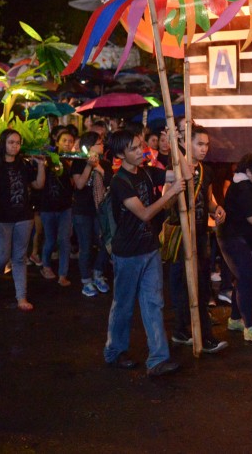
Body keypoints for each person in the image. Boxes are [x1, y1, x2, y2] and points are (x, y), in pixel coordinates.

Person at [103, 130, 183, 377]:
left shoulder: (148, 171)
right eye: (134, 149)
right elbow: (145, 214)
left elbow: (186, 173)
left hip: (150, 249)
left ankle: (158, 359)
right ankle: (115, 352)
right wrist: (170, 194)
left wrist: (175, 144)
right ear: (120, 154)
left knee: (154, 303)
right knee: (124, 306)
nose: (141, 152)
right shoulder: (120, 182)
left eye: (141, 146)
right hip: (127, 253)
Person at [168, 126, 229, 354]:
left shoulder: (206, 171)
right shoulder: (174, 168)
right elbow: (166, 201)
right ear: (187, 144)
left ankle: (191, 332)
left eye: (206, 145)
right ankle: (193, 333)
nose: (204, 149)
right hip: (182, 235)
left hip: (201, 234)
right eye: (199, 144)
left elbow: (209, 199)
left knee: (201, 285)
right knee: (184, 285)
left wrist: (216, 209)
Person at [0, 130, 47, 311]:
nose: (15, 146)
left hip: (23, 217)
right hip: (1, 218)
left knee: (19, 258)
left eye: (17, 142)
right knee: (0, 257)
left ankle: (21, 297)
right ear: (3, 144)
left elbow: (38, 185)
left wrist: (40, 166)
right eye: (11, 142)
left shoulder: (24, 164)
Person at [219, 151, 252, 342]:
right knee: (246, 278)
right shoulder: (243, 188)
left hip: (240, 238)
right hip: (233, 239)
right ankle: (249, 327)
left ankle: (235, 319)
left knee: (241, 278)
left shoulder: (246, 184)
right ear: (248, 171)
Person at [70, 131, 111, 297]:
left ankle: (98, 272)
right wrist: (89, 165)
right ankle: (86, 280)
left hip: (100, 210)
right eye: (99, 143)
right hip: (82, 211)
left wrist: (99, 168)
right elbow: (79, 185)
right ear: (89, 146)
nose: (102, 145)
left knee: (105, 243)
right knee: (85, 246)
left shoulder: (106, 163)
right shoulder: (78, 163)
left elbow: (111, 183)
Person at [39, 129, 76, 287]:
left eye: (70, 141)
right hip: (47, 207)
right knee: (50, 240)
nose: (67, 144)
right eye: (64, 141)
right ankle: (45, 265)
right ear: (57, 142)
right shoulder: (48, 159)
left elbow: (74, 185)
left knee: (64, 240)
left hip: (65, 207)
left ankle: (63, 273)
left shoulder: (73, 161)